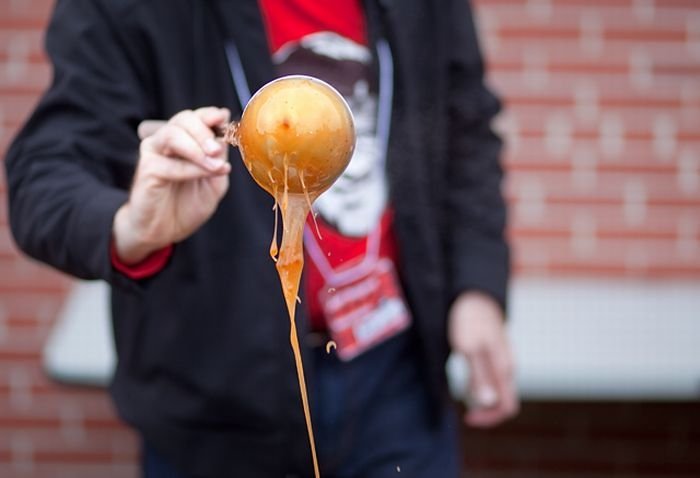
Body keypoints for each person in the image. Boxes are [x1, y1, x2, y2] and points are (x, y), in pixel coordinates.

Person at [5, 0, 518, 476]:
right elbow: (46, 171)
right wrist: (130, 226)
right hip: (214, 398)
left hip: (394, 375)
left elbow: (464, 125)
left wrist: (477, 286)